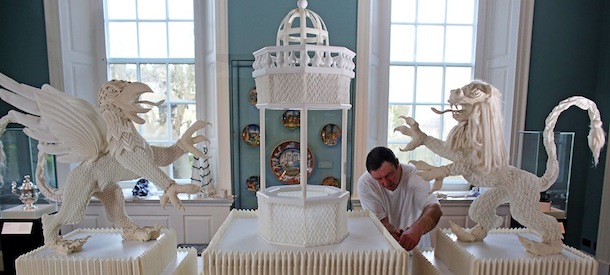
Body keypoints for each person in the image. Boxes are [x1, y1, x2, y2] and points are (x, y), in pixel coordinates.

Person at [357, 146, 442, 251]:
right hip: (383, 249)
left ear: (397, 163)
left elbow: (434, 209)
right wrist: (391, 231)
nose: (386, 183)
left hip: (418, 248)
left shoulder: (417, 175)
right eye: (379, 179)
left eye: (389, 175)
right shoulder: (365, 184)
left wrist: (417, 230)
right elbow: (378, 220)